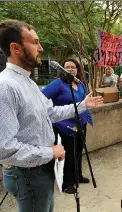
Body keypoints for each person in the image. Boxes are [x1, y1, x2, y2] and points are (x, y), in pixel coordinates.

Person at [0, 19, 103, 212]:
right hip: (28, 174)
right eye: (35, 42)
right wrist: (49, 152)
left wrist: (82, 105)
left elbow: (50, 112)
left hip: (42, 170)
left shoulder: (27, 82)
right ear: (16, 48)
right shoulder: (4, 87)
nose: (41, 48)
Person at [42, 58, 92, 194]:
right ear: (61, 69)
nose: (70, 69)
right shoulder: (58, 84)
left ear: (78, 69)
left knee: (78, 150)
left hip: (81, 123)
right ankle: (66, 183)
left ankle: (77, 176)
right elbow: (41, 97)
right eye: (67, 67)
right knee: (68, 154)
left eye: (73, 67)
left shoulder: (79, 83)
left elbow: (83, 101)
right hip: (64, 125)